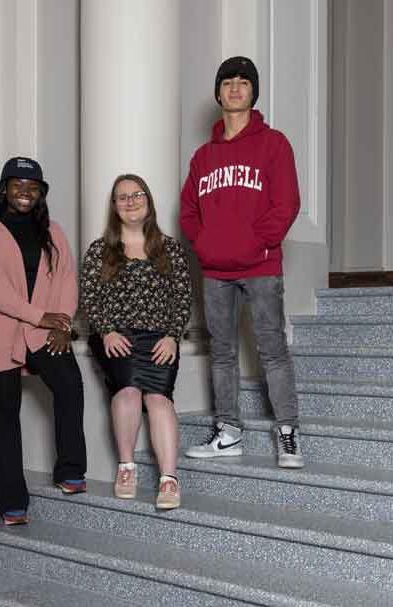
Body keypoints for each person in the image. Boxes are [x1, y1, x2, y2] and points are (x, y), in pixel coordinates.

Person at [180, 56, 304, 468]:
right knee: (222, 353)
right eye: (228, 82)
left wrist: (256, 245)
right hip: (215, 272)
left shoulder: (274, 144)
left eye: (243, 82)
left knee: (272, 350)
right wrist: (207, 246)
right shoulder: (202, 157)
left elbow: (286, 204)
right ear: (218, 93)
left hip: (261, 267)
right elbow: (188, 212)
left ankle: (287, 431)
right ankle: (228, 432)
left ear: (253, 92)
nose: (235, 87)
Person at [0, 156, 87, 526]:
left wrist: (62, 324)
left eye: (33, 186)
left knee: (70, 385)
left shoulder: (54, 231)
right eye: (17, 184)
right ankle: (11, 502)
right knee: (6, 413)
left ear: (41, 193)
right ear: (3, 190)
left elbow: (67, 279)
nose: (25, 192)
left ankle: (69, 469)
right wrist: (38, 316)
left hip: (45, 330)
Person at [81, 174, 192, 509]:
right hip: (117, 338)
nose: (130, 202)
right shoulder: (101, 250)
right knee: (128, 391)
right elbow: (89, 297)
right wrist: (107, 330)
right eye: (122, 197)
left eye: (137, 194)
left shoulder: (169, 248)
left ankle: (169, 480)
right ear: (114, 207)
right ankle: (126, 468)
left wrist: (173, 337)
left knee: (159, 400)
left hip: (160, 339)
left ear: (148, 200)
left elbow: (183, 297)